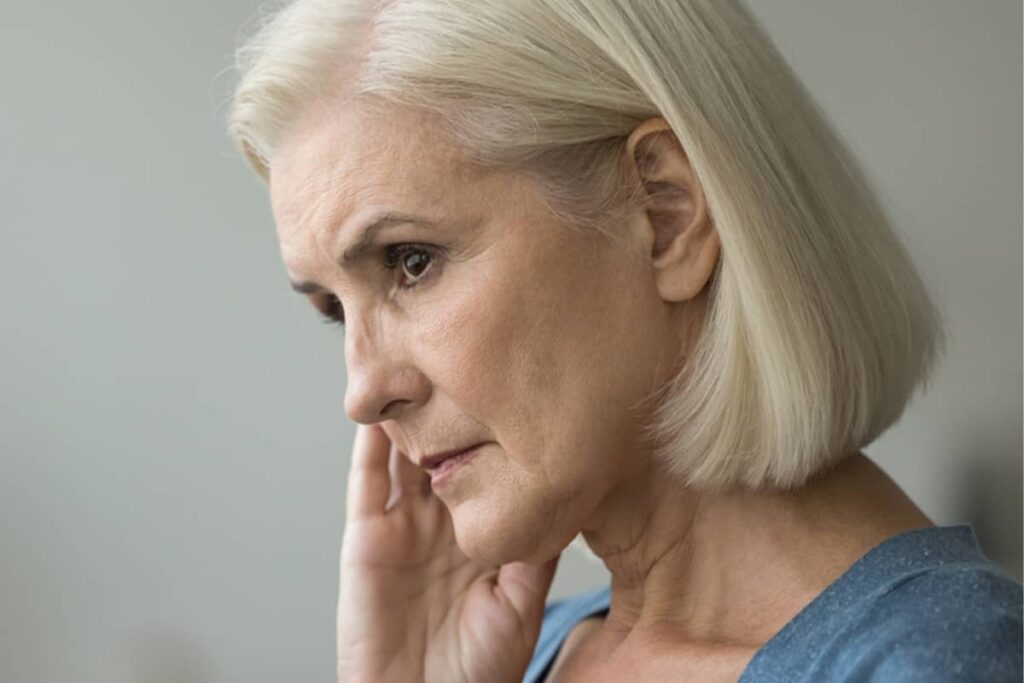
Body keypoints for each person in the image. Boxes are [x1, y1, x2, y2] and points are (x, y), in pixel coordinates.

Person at [226, 1, 1023, 680]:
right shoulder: (523, 652)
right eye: (334, 307)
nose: (362, 391)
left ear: (665, 214)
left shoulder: (938, 661)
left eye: (412, 261)